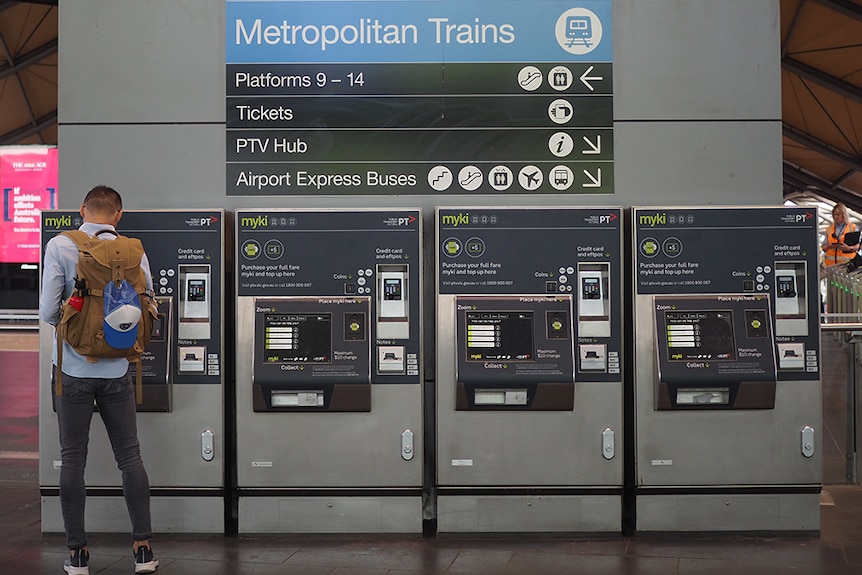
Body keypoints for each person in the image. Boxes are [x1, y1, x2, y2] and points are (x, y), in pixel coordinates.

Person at [39, 186, 159, 575]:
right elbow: (148, 302)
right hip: (118, 369)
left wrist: (73, 321)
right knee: (130, 456)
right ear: (118, 215)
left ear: (82, 210)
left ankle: (77, 554)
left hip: (72, 370)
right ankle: (142, 549)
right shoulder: (133, 250)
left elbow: (47, 311)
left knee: (73, 460)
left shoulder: (61, 245)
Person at [821, 203, 860, 268]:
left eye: (838, 214)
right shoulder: (829, 229)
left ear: (844, 214)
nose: (836, 217)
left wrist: (848, 248)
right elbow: (823, 248)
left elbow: (858, 246)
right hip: (831, 266)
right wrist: (829, 246)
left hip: (848, 266)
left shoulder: (852, 227)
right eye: (834, 215)